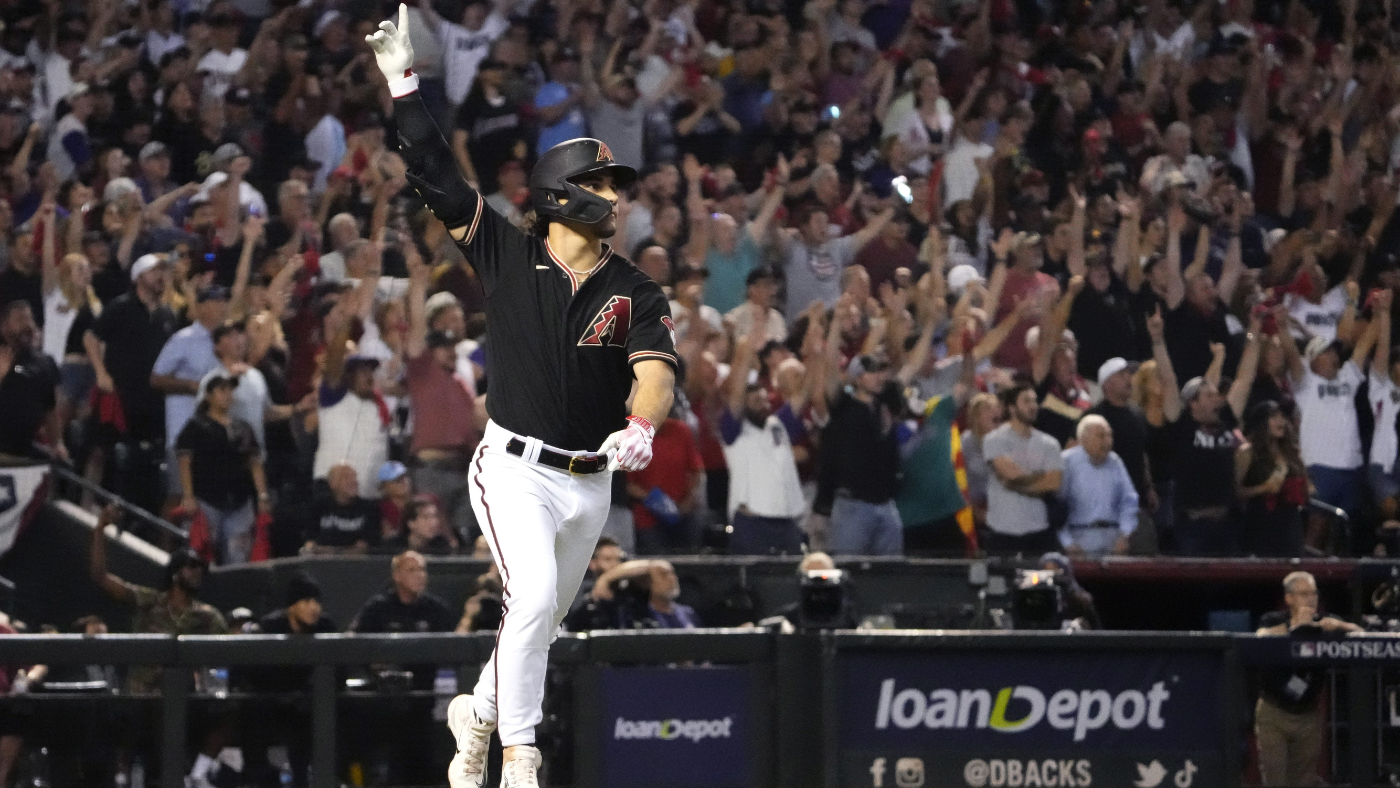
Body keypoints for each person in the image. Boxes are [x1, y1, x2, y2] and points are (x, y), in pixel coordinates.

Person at [367, 11, 677, 786]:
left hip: (591, 483)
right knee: (533, 597)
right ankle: (518, 758)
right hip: (514, 468)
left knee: (537, 622)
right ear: (561, 194)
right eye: (601, 183)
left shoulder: (634, 287)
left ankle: (475, 713)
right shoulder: (507, 251)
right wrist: (406, 85)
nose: (615, 196)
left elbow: (657, 373)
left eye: (616, 184)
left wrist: (643, 424)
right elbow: (436, 173)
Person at [1150, 307, 1261, 555]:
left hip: (1227, 524)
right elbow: (1169, 380)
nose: (1217, 398)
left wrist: (1254, 332)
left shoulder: (1225, 419)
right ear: (1193, 402)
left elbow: (1245, 379)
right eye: (1209, 395)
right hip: (1192, 526)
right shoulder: (1181, 426)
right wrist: (1157, 340)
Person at [1254, 572, 1361, 787]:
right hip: (1274, 713)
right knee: (1275, 780)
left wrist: (1339, 626)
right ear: (1289, 598)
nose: (1311, 599)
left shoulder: (1323, 622)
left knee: (1304, 781)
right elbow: (1261, 637)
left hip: (1308, 715)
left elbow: (1360, 632)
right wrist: (1295, 627)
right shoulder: (1274, 620)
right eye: (1304, 594)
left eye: (1314, 593)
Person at [720, 322, 808, 555]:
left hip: (787, 521)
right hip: (752, 523)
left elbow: (801, 395)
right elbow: (736, 395)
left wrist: (814, 351)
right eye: (756, 401)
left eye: (765, 400)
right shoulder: (734, 431)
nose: (764, 404)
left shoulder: (777, 424)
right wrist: (748, 350)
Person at [175, 374, 269, 565]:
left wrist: (262, 495)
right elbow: (184, 461)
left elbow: (254, 463)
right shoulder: (196, 426)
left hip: (240, 501)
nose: (227, 395)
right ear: (208, 396)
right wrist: (188, 495)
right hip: (208, 500)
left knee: (239, 558)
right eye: (221, 390)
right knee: (202, 557)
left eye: (229, 390)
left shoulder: (243, 427)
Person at [981, 383, 1064, 556]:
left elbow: (1053, 483)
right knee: (1002, 582)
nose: (1033, 406)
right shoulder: (994, 439)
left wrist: (1016, 485)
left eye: (1034, 401)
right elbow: (1010, 474)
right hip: (1003, 532)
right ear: (1011, 408)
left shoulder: (1049, 443)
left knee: (1038, 582)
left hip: (1039, 533)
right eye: (1026, 401)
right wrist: (1040, 477)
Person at [1058, 415, 1138, 556]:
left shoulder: (1115, 462)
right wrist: (1067, 543)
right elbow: (1056, 506)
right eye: (1101, 436)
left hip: (1113, 539)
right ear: (1083, 439)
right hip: (1078, 537)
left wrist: (1125, 534)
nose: (1108, 441)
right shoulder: (1066, 461)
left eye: (1109, 436)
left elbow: (1129, 501)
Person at [1236, 401, 1308, 556]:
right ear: (1262, 422)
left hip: (1290, 523)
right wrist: (1264, 488)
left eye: (1282, 416)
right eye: (1274, 417)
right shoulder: (1248, 453)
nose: (1281, 421)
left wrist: (1302, 488)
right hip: (1261, 522)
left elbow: (1306, 487)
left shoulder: (1292, 453)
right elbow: (1235, 491)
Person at [0, 301, 62, 461]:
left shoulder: (44, 364)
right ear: (4, 327)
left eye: (30, 319)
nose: (27, 325)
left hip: (26, 448)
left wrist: (57, 444)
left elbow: (50, 409)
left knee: (63, 466)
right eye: (20, 320)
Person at [302, 464, 378, 555]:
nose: (353, 481)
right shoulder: (318, 507)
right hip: (321, 564)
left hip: (356, 565)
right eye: (346, 477)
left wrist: (328, 551)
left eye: (354, 477)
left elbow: (364, 547)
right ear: (332, 483)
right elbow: (309, 544)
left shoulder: (368, 508)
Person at [381, 495, 458, 555]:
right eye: (426, 517)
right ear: (411, 523)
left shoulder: (442, 545)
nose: (433, 522)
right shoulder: (393, 546)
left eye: (435, 516)